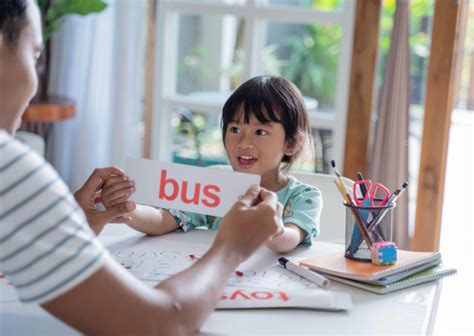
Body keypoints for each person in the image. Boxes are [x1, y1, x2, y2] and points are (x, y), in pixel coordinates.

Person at [0, 0, 283, 334]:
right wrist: (231, 248)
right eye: (34, 56)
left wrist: (69, 223)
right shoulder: (11, 169)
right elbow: (160, 324)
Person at [102, 76, 322, 253]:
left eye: (260, 132)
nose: (244, 143)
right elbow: (164, 220)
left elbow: (290, 239)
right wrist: (129, 210)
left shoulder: (303, 197)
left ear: (291, 143)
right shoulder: (214, 185)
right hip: (217, 281)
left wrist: (274, 232)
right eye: (235, 129)